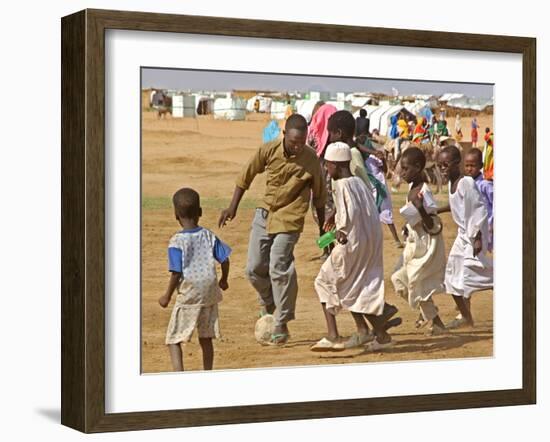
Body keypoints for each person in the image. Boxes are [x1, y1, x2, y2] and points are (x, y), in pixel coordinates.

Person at [219, 114, 327, 346]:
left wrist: (322, 233)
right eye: (293, 141)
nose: (297, 146)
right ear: (284, 135)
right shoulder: (268, 150)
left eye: (302, 142)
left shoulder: (311, 160)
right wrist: (232, 207)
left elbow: (319, 197)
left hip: (291, 217)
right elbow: (245, 175)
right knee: (253, 268)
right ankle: (268, 302)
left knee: (279, 265)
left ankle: (281, 321)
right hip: (265, 213)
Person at [312, 142, 394, 351]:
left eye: (328, 166)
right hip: (367, 243)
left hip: (350, 244)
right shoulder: (358, 181)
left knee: (324, 281)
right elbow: (362, 209)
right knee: (354, 287)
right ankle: (373, 333)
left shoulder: (342, 185)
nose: (326, 170)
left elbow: (352, 212)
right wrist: (335, 215)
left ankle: (332, 335)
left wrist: (340, 230)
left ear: (336, 166)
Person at [158, 188, 231, 371]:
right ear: (200, 212)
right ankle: (207, 373)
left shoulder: (176, 241)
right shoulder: (208, 235)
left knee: (173, 339)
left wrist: (167, 296)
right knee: (205, 338)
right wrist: (224, 280)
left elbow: (176, 272)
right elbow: (225, 259)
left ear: (176, 215)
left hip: (190, 294)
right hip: (210, 292)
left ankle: (179, 376)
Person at [391, 147, 447, 335]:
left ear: (418, 167)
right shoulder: (411, 188)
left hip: (426, 245)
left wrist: (421, 209)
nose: (402, 173)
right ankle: (431, 317)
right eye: (402, 169)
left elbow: (433, 224)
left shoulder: (424, 191)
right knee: (399, 281)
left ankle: (434, 320)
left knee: (415, 282)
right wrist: (407, 227)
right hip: (413, 242)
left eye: (406, 169)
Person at [437, 146, 493, 329]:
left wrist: (477, 236)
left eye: (446, 164)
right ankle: (466, 317)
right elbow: (456, 206)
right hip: (462, 237)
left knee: (473, 271)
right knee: (452, 276)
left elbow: (478, 209)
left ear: (456, 164)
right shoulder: (451, 184)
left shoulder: (466, 182)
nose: (442, 168)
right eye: (440, 165)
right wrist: (434, 210)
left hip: (473, 235)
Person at [328, 111, 403, 248]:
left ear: (338, 133)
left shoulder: (352, 156)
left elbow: (363, 189)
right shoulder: (346, 153)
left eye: (330, 133)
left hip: (353, 227)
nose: (329, 138)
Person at [464, 148, 494, 252]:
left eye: (472, 166)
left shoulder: (485, 185)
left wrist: (492, 224)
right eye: (467, 165)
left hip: (487, 228)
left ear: (480, 166)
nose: (469, 169)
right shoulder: (466, 184)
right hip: (472, 228)